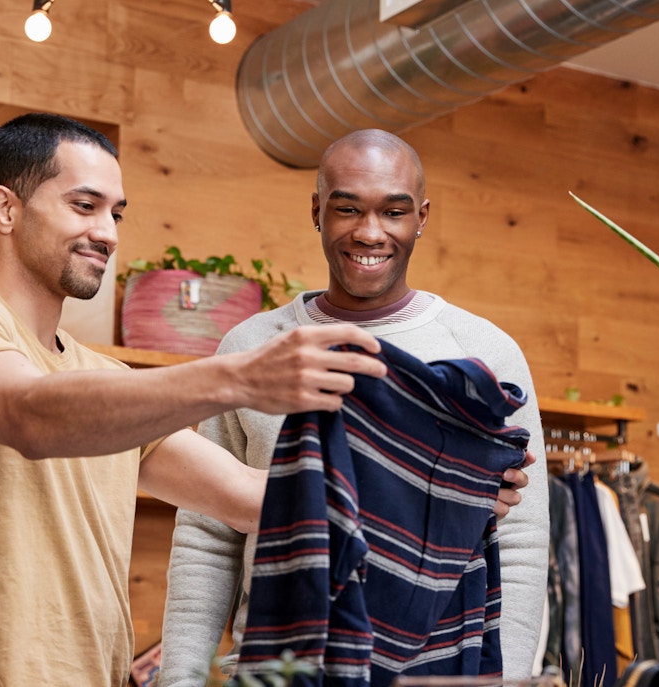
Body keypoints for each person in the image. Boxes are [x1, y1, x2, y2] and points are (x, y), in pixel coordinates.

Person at [0, 112, 392, 687]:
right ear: (6, 208)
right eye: (84, 205)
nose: (109, 233)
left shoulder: (103, 379)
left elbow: (250, 499)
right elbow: (27, 413)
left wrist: (450, 486)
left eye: (115, 213)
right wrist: (238, 377)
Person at [159, 129, 550, 685]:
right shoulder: (251, 349)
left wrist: (502, 679)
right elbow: (208, 532)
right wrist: (183, 678)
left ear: (422, 217)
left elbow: (522, 539)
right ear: (317, 210)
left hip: (439, 672)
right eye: (347, 209)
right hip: (278, 668)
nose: (370, 232)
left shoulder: (485, 355)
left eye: (394, 211)